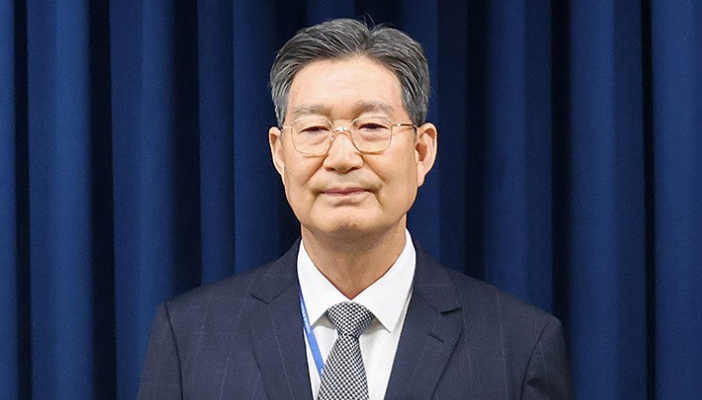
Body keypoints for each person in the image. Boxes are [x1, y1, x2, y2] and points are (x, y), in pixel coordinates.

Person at [137, 18, 574, 400]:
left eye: (371, 126)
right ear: (279, 154)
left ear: (422, 152)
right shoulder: (190, 338)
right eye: (314, 129)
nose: (342, 157)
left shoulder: (519, 346)